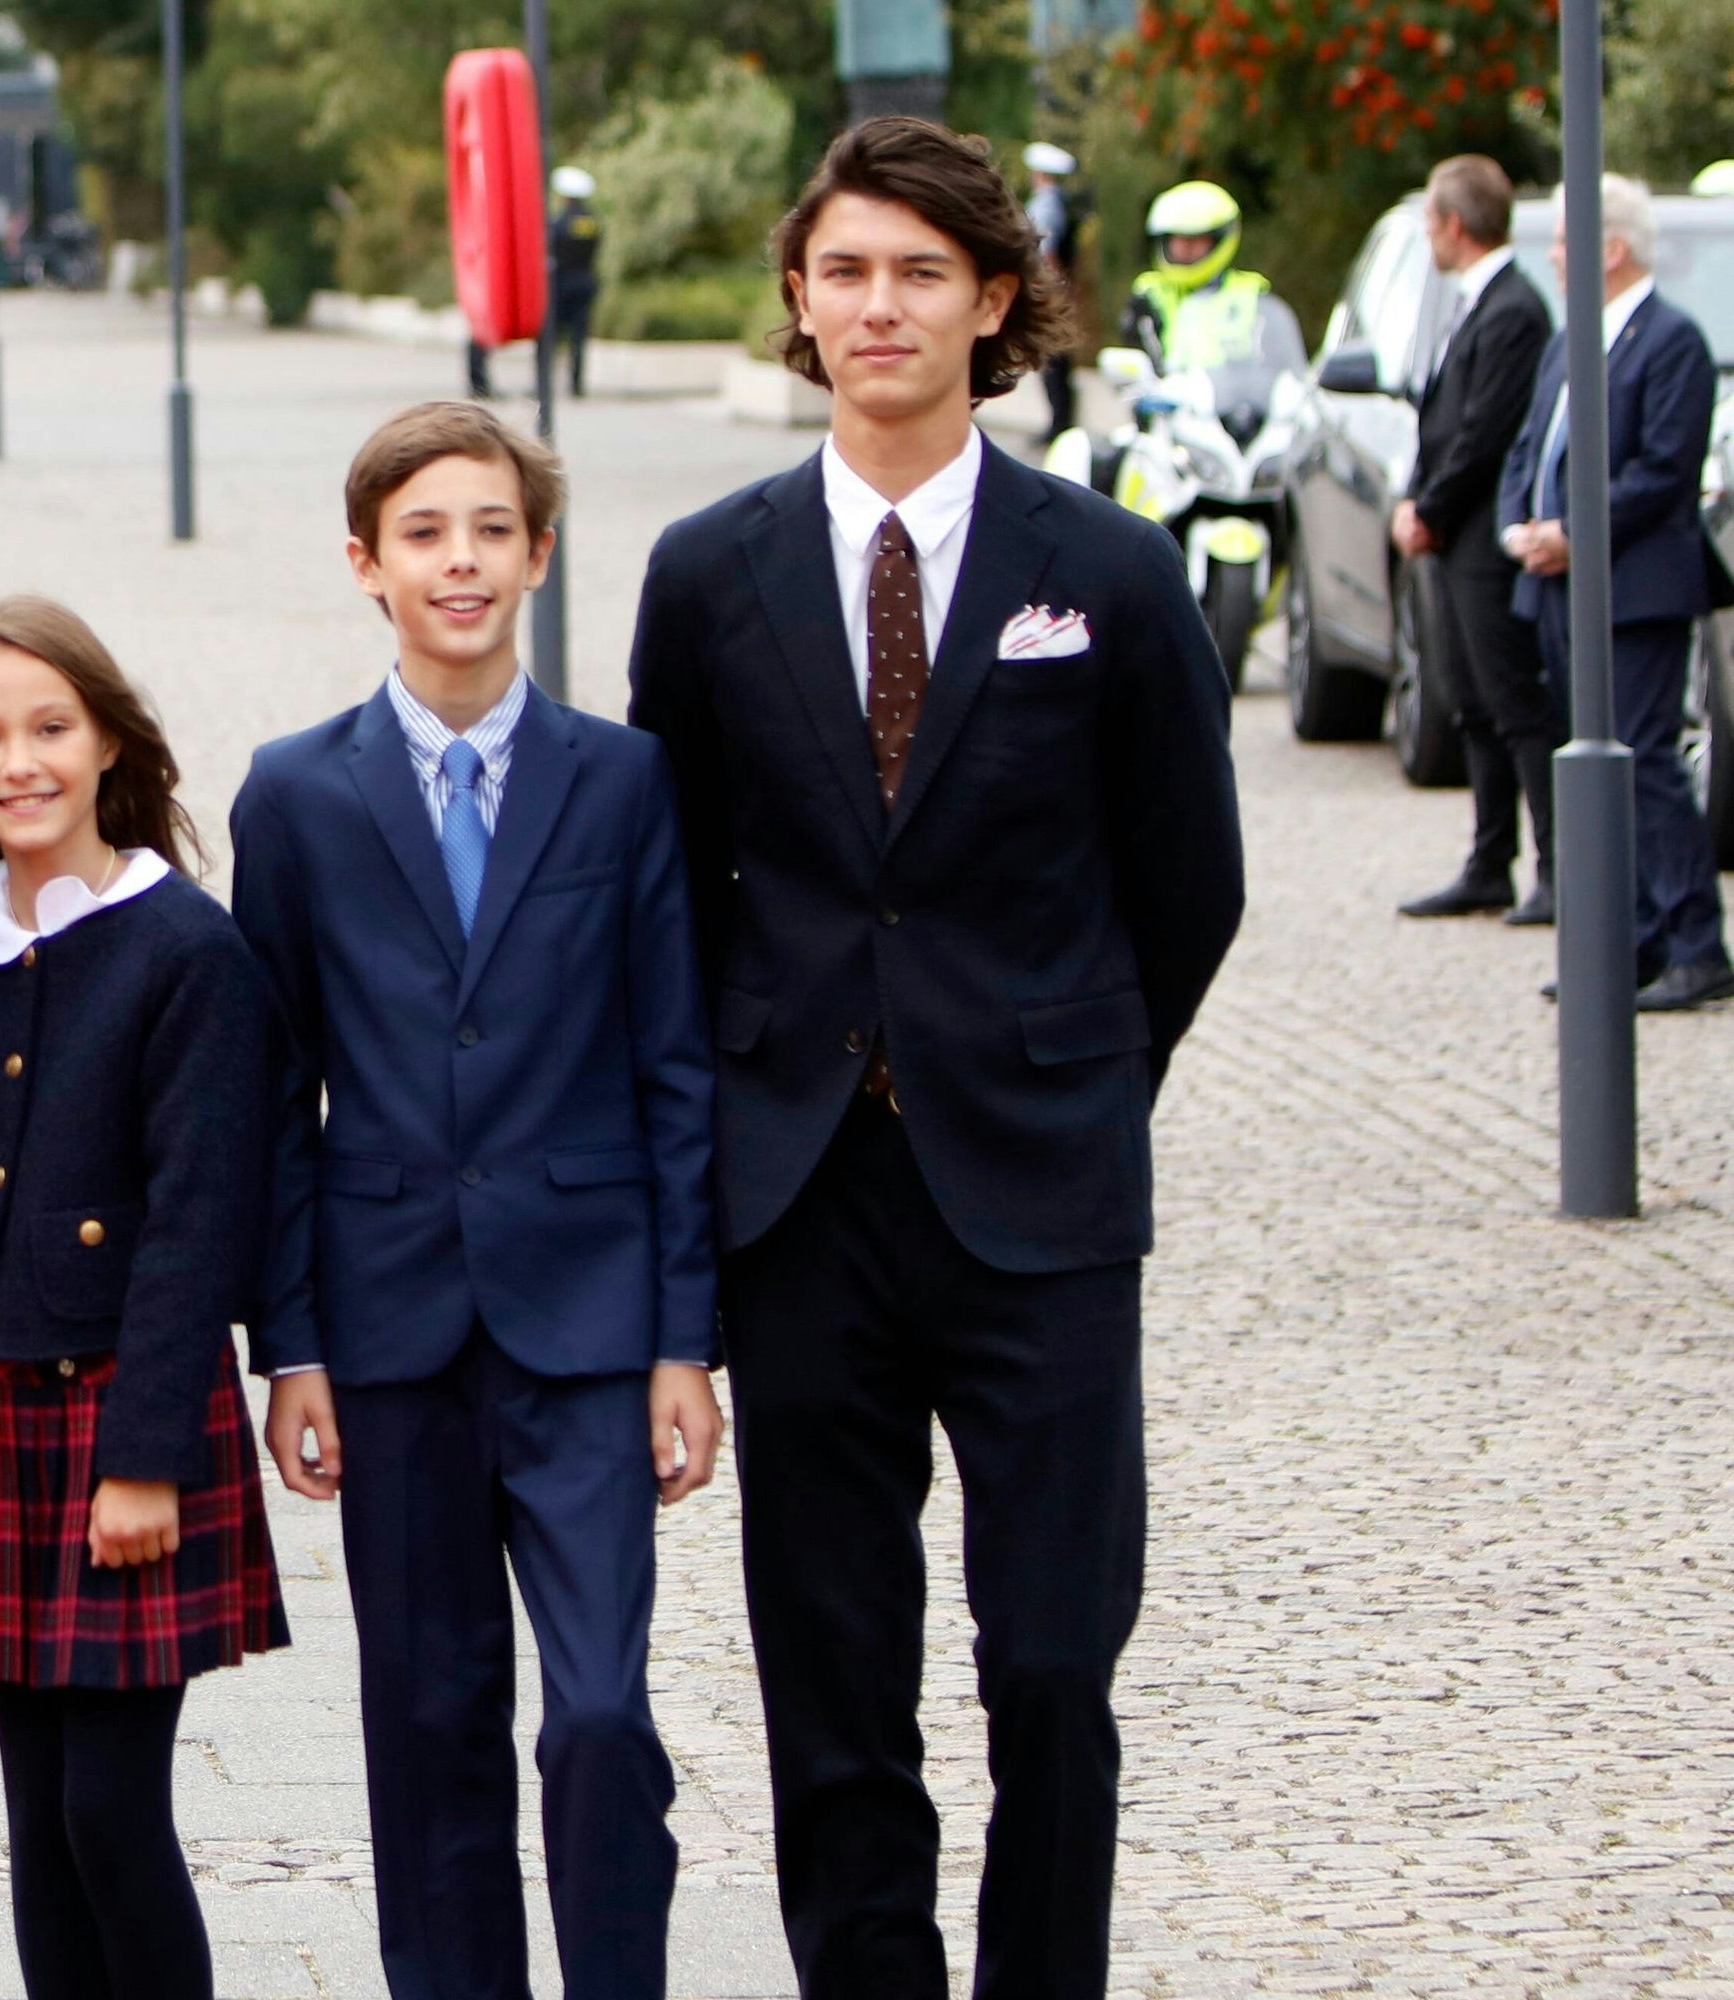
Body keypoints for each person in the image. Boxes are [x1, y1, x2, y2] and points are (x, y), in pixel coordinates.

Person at [623, 119, 1243, 1995]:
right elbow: (679, 890)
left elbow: (1189, 885)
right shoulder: (707, 573)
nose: (877, 305)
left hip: (1040, 1195)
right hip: (801, 1197)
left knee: (1054, 1657)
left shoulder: (1111, 573)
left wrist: (1069, 1075)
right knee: (833, 1668)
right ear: (800, 306)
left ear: (994, 300)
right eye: (843, 271)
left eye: (918, 272)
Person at [242, 402, 721, 2000]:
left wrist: (685, 1343)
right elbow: (278, 1099)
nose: (462, 562)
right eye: (427, 534)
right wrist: (291, 1346)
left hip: (587, 1320)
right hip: (389, 1331)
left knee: (595, 1712)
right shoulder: (293, 797)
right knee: (430, 1717)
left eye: (492, 531)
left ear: (539, 552)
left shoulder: (623, 781)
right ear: (368, 562)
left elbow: (675, 1066)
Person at [0, 596, 286, 2000]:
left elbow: (198, 1226)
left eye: (51, 728)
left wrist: (146, 1461)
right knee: (35, 1822)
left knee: (109, 1812)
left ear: (109, 737)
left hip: (128, 1420)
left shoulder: (188, 950)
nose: (22, 763)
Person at [1499, 174, 1734, 1011]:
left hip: (1634, 587)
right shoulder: (1570, 341)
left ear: (1613, 247)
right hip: (1557, 586)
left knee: (1644, 761)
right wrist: (1520, 528)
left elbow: (1663, 471)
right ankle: (1633, 944)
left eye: (1566, 240)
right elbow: (1530, 451)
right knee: (1592, 766)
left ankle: (1698, 944)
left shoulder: (1672, 341)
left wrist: (1574, 535)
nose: (1555, 256)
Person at [1393, 155, 1559, 925]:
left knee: (1514, 698)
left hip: (1487, 536)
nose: (1429, 235)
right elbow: (1443, 419)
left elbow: (1485, 430)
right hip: (1457, 534)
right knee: (1471, 702)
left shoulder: (1514, 310)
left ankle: (1556, 865)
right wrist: (1415, 497)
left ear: (1456, 226)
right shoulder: (1476, 303)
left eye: (1430, 221)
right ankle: (1489, 859)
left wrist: (1430, 507)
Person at [1121, 179, 1299, 378]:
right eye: (1178, 239)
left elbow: (1276, 359)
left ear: (1218, 239)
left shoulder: (1251, 292)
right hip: (1168, 402)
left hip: (1235, 402)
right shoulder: (1149, 293)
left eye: (1196, 239)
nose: (1185, 248)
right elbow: (1136, 357)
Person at [1023, 142, 1087, 444]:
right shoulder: (1062, 201)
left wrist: (1049, 289)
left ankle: (1058, 426)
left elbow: (1045, 250)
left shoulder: (1045, 203)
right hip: (1062, 289)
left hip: (1051, 291)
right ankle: (1061, 422)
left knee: (1052, 357)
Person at [545, 167, 602, 401]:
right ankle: (576, 384)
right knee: (579, 336)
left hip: (560, 285)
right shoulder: (592, 221)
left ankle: (545, 381)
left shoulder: (559, 222)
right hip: (585, 282)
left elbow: (550, 251)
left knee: (551, 336)